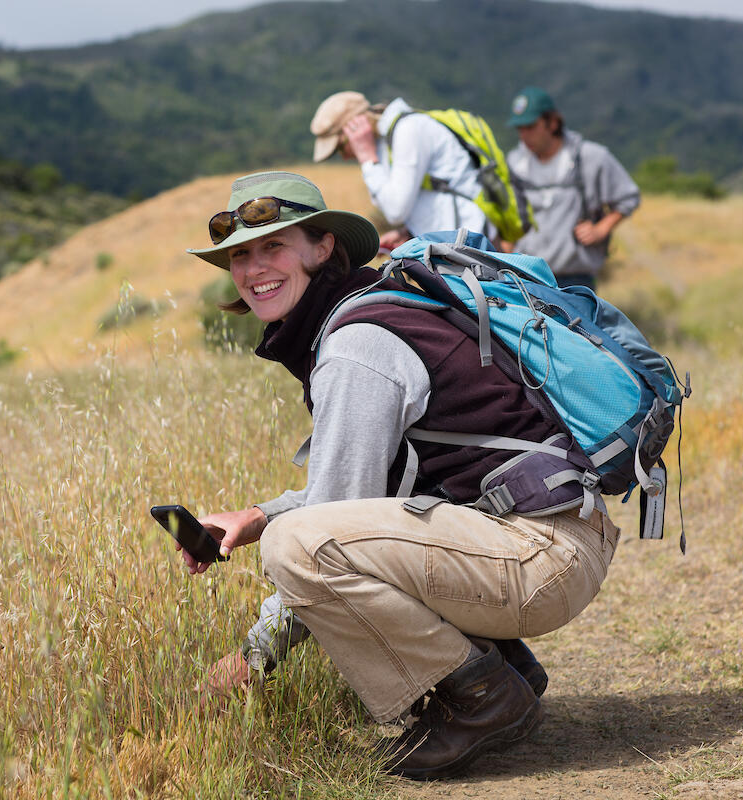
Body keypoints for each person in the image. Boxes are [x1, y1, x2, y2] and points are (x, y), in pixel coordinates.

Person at [183, 171, 620, 779]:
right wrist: (255, 516)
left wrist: (251, 660)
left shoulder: (356, 345)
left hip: (541, 557)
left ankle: (481, 698)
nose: (255, 268)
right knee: (298, 532)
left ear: (322, 247)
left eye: (274, 246)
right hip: (557, 536)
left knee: (297, 546)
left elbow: (327, 524)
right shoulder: (381, 304)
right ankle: (496, 666)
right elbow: (371, 493)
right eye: (241, 255)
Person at [310, 91, 489, 252]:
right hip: (454, 245)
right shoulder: (390, 139)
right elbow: (427, 198)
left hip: (470, 245)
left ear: (356, 130)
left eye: (340, 147)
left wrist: (367, 158)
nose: (344, 157)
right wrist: (409, 232)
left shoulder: (408, 131)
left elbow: (396, 211)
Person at [506, 86, 640, 289]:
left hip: (576, 280)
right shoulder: (514, 163)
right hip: (526, 279)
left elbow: (628, 197)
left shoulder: (591, 157)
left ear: (552, 123)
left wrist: (600, 230)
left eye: (531, 127)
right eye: (520, 129)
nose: (524, 136)